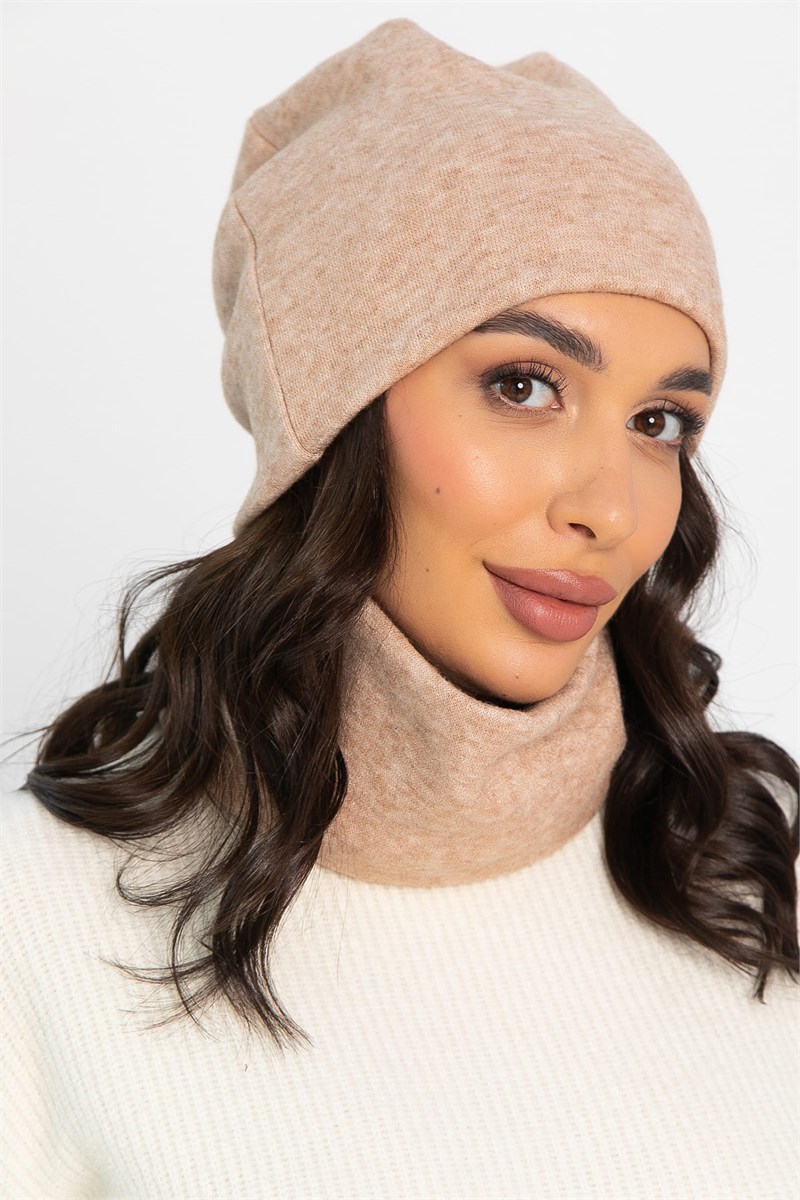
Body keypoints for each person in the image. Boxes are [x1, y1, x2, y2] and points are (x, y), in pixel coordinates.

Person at [1, 17, 797, 1200]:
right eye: (522, 385)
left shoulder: (760, 859)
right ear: (333, 416)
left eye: (658, 423)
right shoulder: (35, 922)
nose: (610, 509)